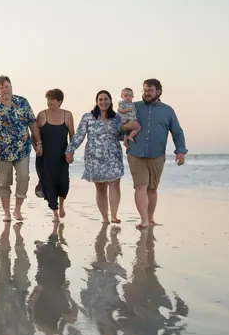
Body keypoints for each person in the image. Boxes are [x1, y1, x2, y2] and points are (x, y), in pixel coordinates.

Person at [122, 79, 187, 229]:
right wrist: (125, 131)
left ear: (158, 92)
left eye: (149, 90)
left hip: (157, 155)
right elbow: (120, 124)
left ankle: (150, 219)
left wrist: (181, 151)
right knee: (140, 186)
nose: (146, 93)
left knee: (152, 188)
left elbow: (177, 132)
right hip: (135, 153)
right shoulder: (134, 107)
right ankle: (144, 219)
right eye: (144, 90)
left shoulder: (168, 110)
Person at [0, 75, 41, 223]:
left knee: (23, 178)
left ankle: (17, 210)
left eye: (7, 86)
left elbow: (32, 123)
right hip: (1, 152)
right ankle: (7, 213)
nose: (4, 90)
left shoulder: (22, 102)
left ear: (11, 87)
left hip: (22, 149)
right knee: (4, 182)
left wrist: (38, 141)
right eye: (1, 87)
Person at [65, 90, 124, 224]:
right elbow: (80, 135)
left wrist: (130, 136)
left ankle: (114, 215)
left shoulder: (117, 118)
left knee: (115, 183)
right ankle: (105, 218)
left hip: (113, 155)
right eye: (100, 99)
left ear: (110, 101)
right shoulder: (88, 117)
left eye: (106, 99)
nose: (103, 102)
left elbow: (121, 135)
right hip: (94, 157)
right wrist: (70, 150)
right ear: (97, 102)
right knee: (101, 188)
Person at [34, 88, 75, 222]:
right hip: (45, 157)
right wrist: (36, 147)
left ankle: (61, 205)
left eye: (52, 99)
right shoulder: (41, 115)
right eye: (48, 99)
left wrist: (71, 152)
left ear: (60, 101)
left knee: (63, 183)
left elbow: (72, 136)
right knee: (49, 183)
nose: (49, 102)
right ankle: (55, 213)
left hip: (61, 156)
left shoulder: (67, 115)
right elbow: (33, 135)